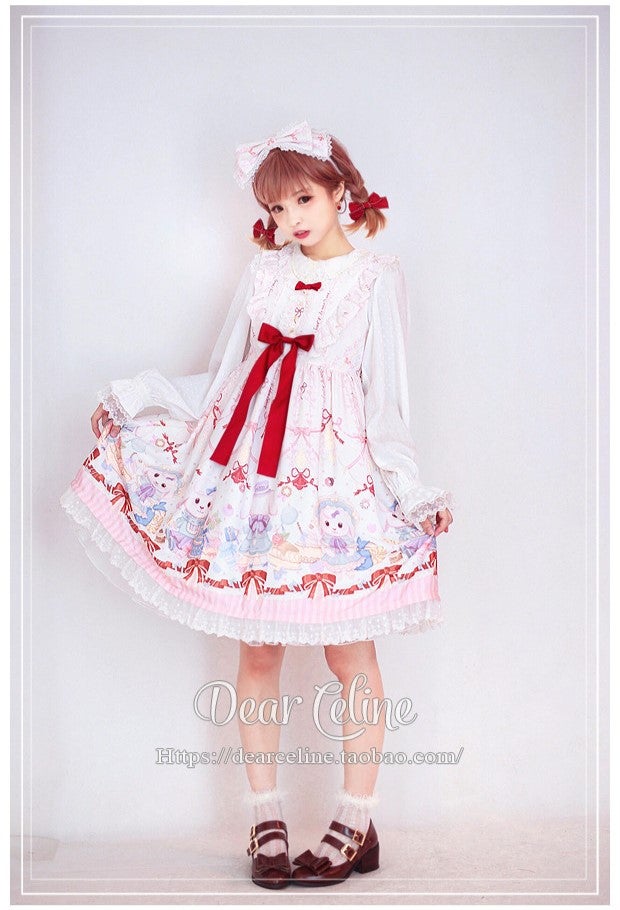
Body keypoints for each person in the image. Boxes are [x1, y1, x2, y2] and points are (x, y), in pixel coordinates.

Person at [59, 119, 455, 889]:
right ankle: (265, 818)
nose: (290, 219)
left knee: (349, 651)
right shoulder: (264, 275)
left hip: (336, 478)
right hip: (253, 484)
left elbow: (387, 404)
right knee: (259, 649)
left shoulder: (374, 279)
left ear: (340, 190)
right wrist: (138, 396)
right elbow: (225, 380)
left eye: (304, 199)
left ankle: (355, 820)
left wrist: (412, 491)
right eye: (276, 207)